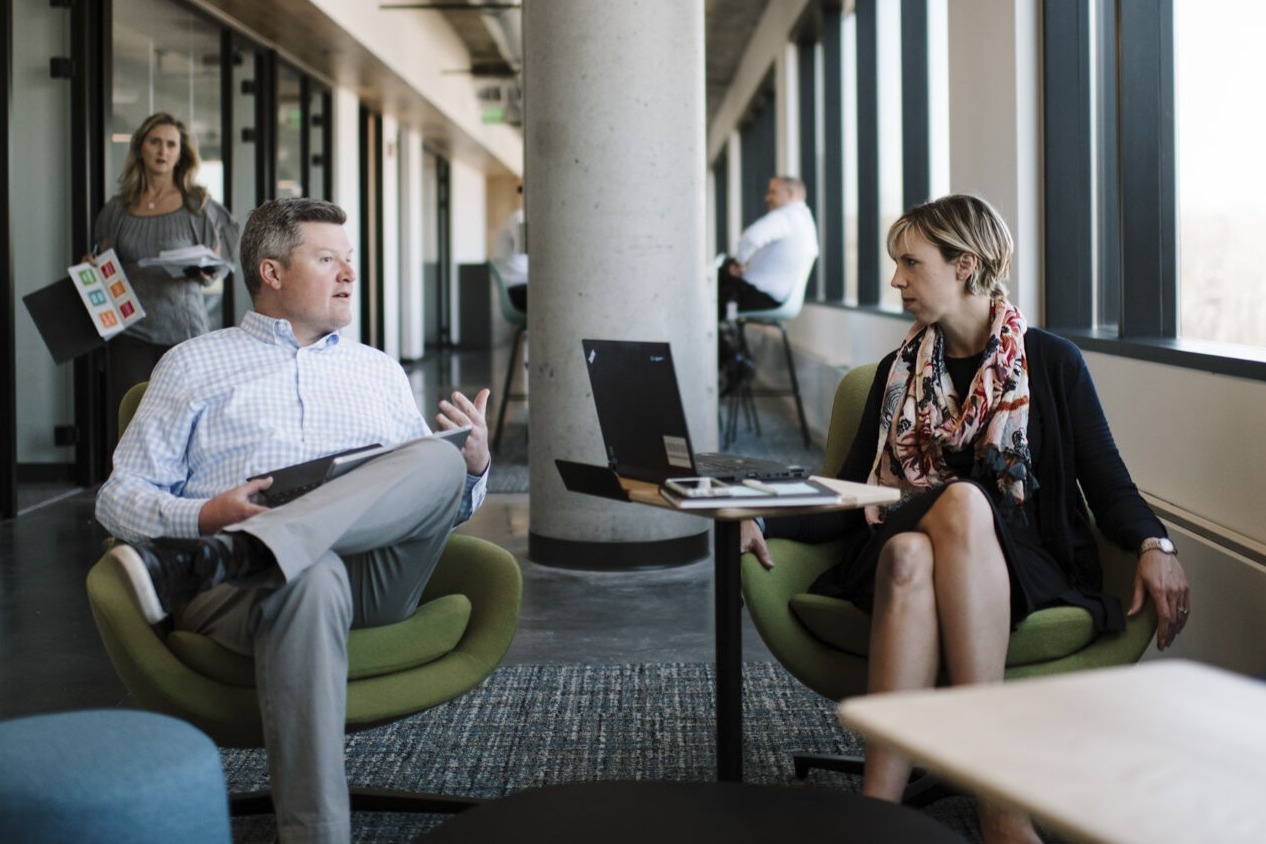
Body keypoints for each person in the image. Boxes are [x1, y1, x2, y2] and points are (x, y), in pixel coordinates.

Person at [740, 194, 1190, 844]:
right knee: (934, 525)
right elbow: (851, 494)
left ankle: (884, 814)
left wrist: (1155, 541)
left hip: (1019, 564)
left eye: (909, 263)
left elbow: (1111, 485)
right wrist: (765, 517)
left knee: (925, 543)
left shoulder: (1051, 362)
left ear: (964, 266)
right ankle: (989, 803)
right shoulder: (898, 372)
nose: (896, 280)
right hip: (887, 542)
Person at [96, 197, 492, 843]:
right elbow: (117, 498)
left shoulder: (378, 370)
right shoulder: (192, 365)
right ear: (272, 272)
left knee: (436, 461)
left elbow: (428, 507)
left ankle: (252, 546)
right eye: (328, 258)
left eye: (350, 261)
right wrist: (202, 515)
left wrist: (471, 468)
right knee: (308, 575)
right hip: (251, 594)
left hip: (375, 580)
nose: (348, 275)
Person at [91, 112, 240, 444]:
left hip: (182, 331)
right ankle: (128, 494)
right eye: (155, 141)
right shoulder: (118, 208)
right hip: (130, 330)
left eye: (171, 144)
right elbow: (103, 262)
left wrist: (208, 269)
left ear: (180, 154)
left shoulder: (198, 206)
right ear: (141, 147)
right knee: (130, 423)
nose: (162, 150)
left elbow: (223, 259)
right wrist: (94, 265)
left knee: (182, 424)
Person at [717, 176, 819, 391]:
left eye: (773, 192)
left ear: (791, 195)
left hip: (762, 296)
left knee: (702, 302)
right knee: (714, 292)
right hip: (774, 296)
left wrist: (737, 262)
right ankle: (734, 358)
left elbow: (751, 238)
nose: (767, 197)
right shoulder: (803, 220)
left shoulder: (787, 216)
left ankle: (733, 360)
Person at [492, 186, 528, 311]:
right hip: (517, 288)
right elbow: (527, 247)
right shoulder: (519, 217)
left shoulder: (521, 217)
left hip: (522, 285)